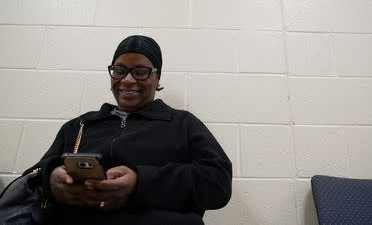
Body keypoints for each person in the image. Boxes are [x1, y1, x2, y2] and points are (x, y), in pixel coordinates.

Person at [26, 35, 232, 224]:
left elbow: (218, 182)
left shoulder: (182, 123)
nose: (127, 80)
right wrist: (52, 179)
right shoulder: (79, 126)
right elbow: (32, 176)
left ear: (157, 79)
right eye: (119, 70)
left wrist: (140, 182)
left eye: (140, 72)